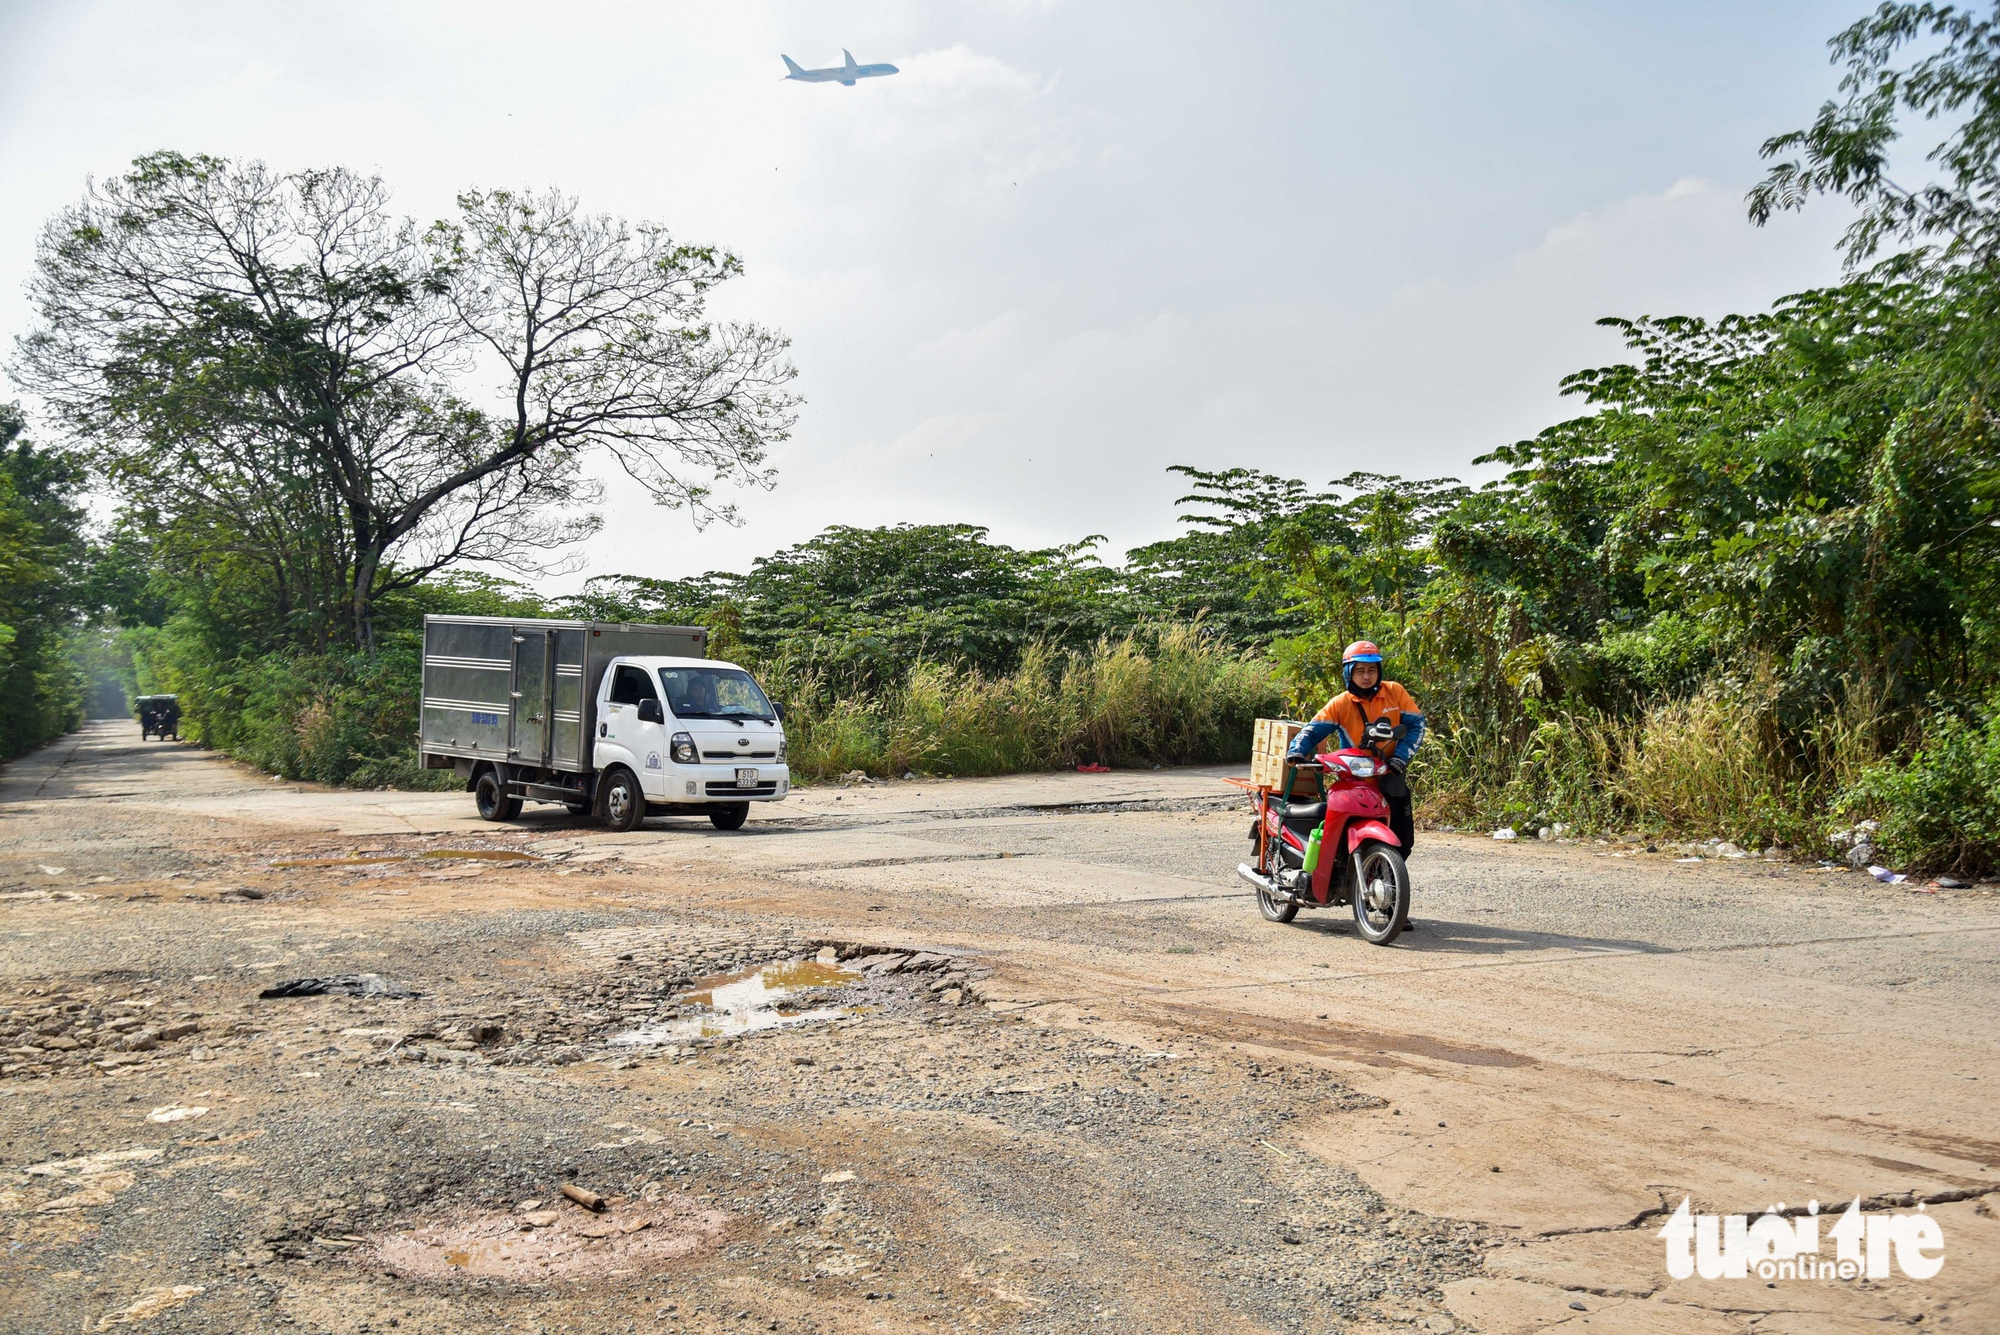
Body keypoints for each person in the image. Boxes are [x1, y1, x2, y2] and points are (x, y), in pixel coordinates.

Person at [1287, 640, 1425, 853]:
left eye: (1372, 670)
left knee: (1403, 843)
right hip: (1354, 782)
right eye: (1360, 671)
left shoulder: (1395, 692)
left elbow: (1416, 725)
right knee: (1341, 842)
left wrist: (1400, 756)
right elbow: (1313, 729)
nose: (1367, 676)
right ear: (1348, 673)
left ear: (1379, 671)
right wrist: (1297, 750)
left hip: (1391, 776)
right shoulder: (1340, 703)